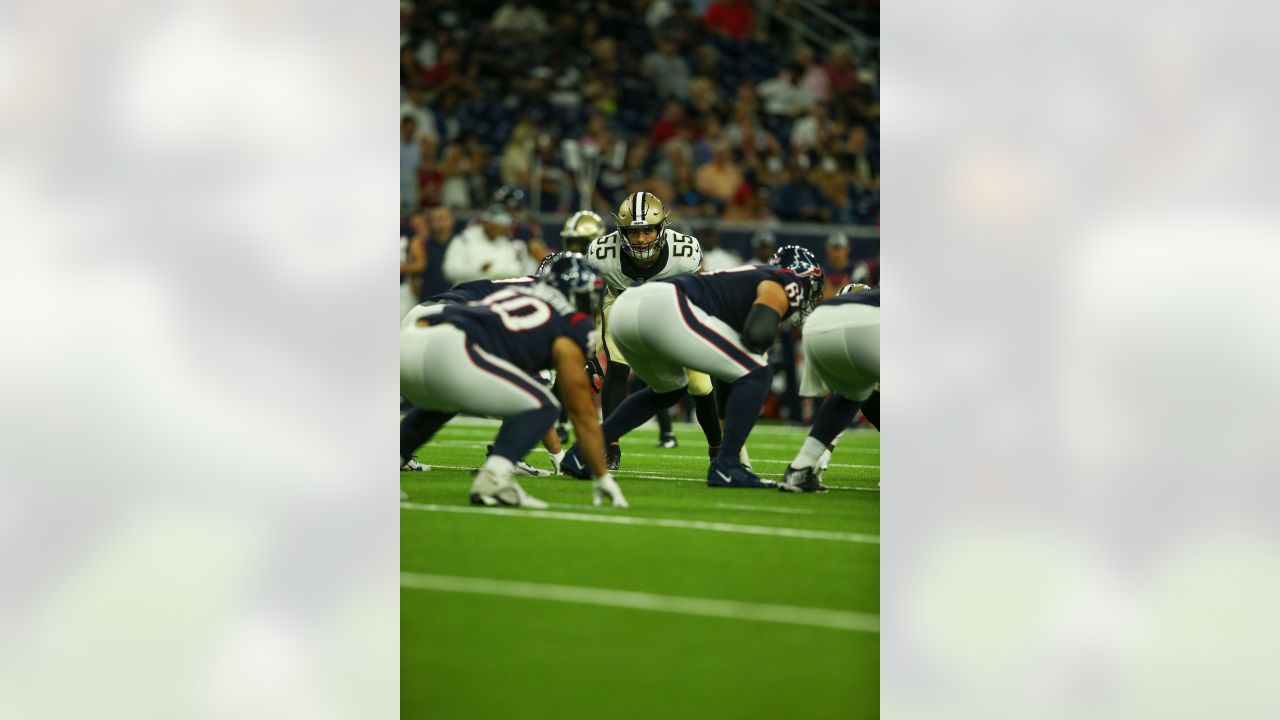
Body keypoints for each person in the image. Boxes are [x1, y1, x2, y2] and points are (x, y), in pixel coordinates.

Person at [560, 245, 826, 489]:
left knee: (668, 389)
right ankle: (728, 466)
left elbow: (728, 374)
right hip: (668, 306)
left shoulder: (748, 277)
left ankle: (584, 452)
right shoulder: (786, 279)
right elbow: (757, 334)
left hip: (625, 308)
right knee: (758, 373)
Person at [399, 254, 627, 509]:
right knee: (541, 404)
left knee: (445, 400)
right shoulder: (574, 325)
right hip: (452, 348)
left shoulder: (518, 290)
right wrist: (601, 475)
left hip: (410, 340)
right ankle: (494, 479)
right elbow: (580, 411)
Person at [401, 253, 574, 476]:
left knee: (446, 397)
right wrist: (560, 458)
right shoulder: (542, 301)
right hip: (450, 321)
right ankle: (504, 465)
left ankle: (398, 452)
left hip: (423, 313)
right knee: (535, 391)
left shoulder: (524, 288)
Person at [584, 191, 724, 467]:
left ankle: (718, 451)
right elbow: (585, 297)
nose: (640, 238)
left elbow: (703, 290)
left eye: (648, 230)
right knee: (617, 366)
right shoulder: (602, 254)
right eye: (633, 232)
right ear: (620, 231)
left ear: (661, 228)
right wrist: (586, 346)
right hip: (621, 300)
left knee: (699, 382)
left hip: (672, 306)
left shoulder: (684, 253)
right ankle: (609, 448)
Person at [780, 285, 879, 493]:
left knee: (853, 393)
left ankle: (800, 468)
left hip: (818, 322)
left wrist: (824, 452)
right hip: (866, 326)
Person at [441, 205, 533, 285]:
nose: (500, 232)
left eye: (503, 228)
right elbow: (449, 270)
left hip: (495, 294)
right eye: (497, 227)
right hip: (467, 293)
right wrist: (478, 270)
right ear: (487, 223)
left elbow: (516, 270)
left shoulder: (506, 244)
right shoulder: (464, 239)